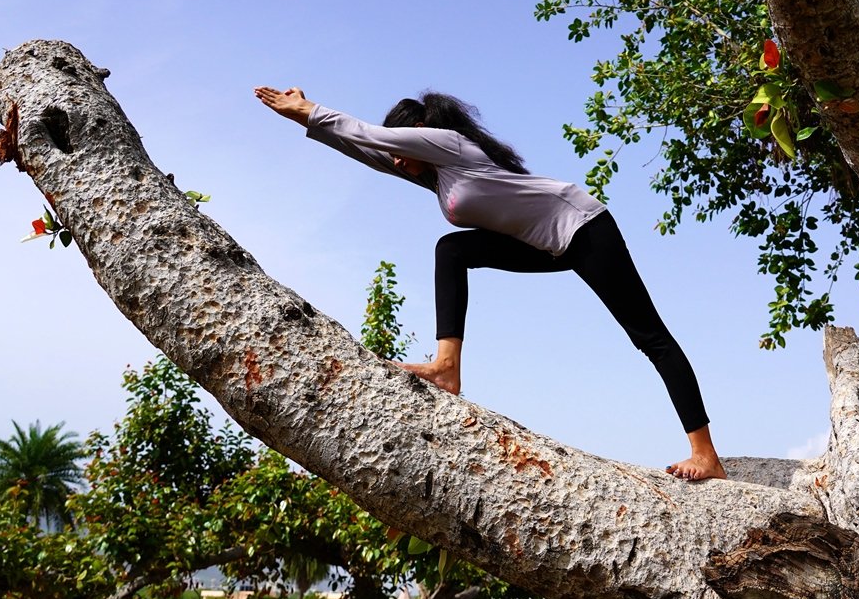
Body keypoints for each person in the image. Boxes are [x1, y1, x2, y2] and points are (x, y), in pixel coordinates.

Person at [254, 86, 727, 481]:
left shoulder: (448, 144)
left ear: (419, 135)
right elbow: (370, 149)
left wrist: (311, 110)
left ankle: (705, 454)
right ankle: (447, 367)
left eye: (402, 150)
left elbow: (371, 135)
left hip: (584, 227)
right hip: (548, 244)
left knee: (650, 338)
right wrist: (307, 122)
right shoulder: (438, 175)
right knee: (452, 250)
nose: (396, 161)